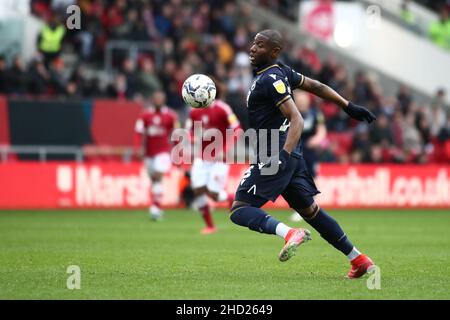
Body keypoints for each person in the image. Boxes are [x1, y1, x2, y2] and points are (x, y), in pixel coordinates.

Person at [229, 30, 377, 279]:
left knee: (239, 209)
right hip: (292, 158)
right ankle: (359, 259)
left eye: (260, 45)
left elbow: (295, 117)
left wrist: (282, 156)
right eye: (253, 43)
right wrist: (347, 106)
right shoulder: (281, 72)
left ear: (274, 51)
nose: (253, 48)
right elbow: (316, 86)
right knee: (311, 213)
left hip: (276, 155)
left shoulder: (270, 79)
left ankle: (289, 233)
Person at [187, 82, 241, 235]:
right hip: (202, 158)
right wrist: (191, 139)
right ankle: (210, 226)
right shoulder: (194, 111)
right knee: (197, 190)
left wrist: (225, 150)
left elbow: (237, 130)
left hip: (220, 159)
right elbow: (190, 131)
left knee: (213, 194)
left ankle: (230, 198)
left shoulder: (223, 109)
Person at [134, 90, 179, 220]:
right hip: (149, 153)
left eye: (160, 98)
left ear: (164, 100)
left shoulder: (171, 116)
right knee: (154, 181)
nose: (158, 100)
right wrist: (138, 148)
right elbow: (138, 132)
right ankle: (158, 206)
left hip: (163, 152)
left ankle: (154, 208)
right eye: (156, 98)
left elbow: (176, 135)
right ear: (153, 100)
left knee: (158, 176)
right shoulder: (145, 115)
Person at [289, 91, 327, 222]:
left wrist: (316, 139)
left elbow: (322, 130)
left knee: (312, 177)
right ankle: (300, 207)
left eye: (303, 100)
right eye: (299, 100)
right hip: (294, 148)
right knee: (296, 178)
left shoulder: (315, 113)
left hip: (309, 150)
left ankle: (310, 205)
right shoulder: (290, 112)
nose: (302, 102)